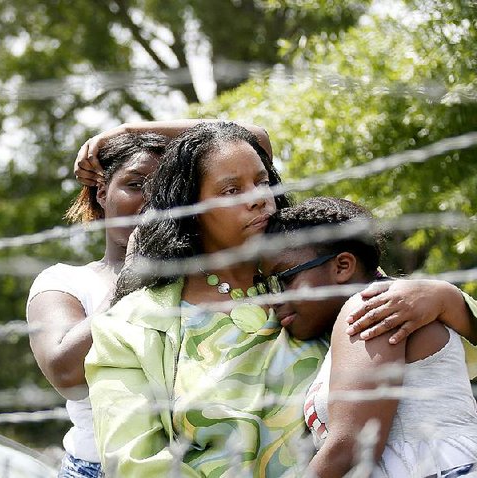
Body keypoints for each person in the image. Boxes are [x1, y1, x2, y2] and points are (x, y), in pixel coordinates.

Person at [82, 121, 477, 477]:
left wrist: (445, 298)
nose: (258, 199)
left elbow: (443, 355)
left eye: (262, 182)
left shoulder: (316, 277)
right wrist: (126, 132)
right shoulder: (131, 327)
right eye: (231, 189)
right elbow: (135, 464)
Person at [29, 120, 273, 477]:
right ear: (101, 192)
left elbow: (255, 139)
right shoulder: (66, 281)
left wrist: (126, 131)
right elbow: (65, 373)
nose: (149, 200)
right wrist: (133, 274)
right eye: (134, 185)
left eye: (163, 188)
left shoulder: (197, 277)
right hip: (100, 467)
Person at [260, 197, 477, 478]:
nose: (274, 300)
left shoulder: (372, 307)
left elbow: (350, 447)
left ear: (342, 266)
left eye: (283, 280)